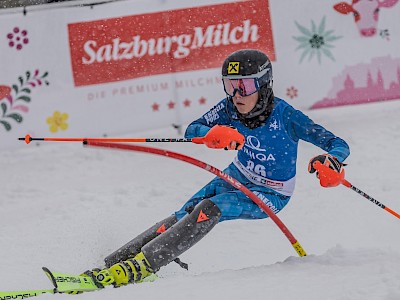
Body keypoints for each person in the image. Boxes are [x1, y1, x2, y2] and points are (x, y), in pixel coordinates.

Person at [84, 49, 350, 288]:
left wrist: (333, 162)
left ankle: (141, 267)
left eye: (244, 86)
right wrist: (212, 133)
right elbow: (192, 130)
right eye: (230, 86)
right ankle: (116, 262)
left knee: (211, 208)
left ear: (264, 84)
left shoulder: (286, 116)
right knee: (185, 212)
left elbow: (337, 143)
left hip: (271, 194)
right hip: (237, 176)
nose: (236, 95)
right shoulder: (229, 109)